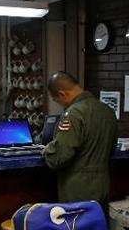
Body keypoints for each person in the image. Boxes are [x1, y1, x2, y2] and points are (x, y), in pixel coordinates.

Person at [43, 72, 118, 208]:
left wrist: (47, 150)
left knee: (76, 227)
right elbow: (112, 148)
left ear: (62, 94)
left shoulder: (73, 114)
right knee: (97, 226)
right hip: (103, 185)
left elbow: (60, 156)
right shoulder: (107, 110)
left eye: (56, 100)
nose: (59, 104)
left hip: (77, 189)